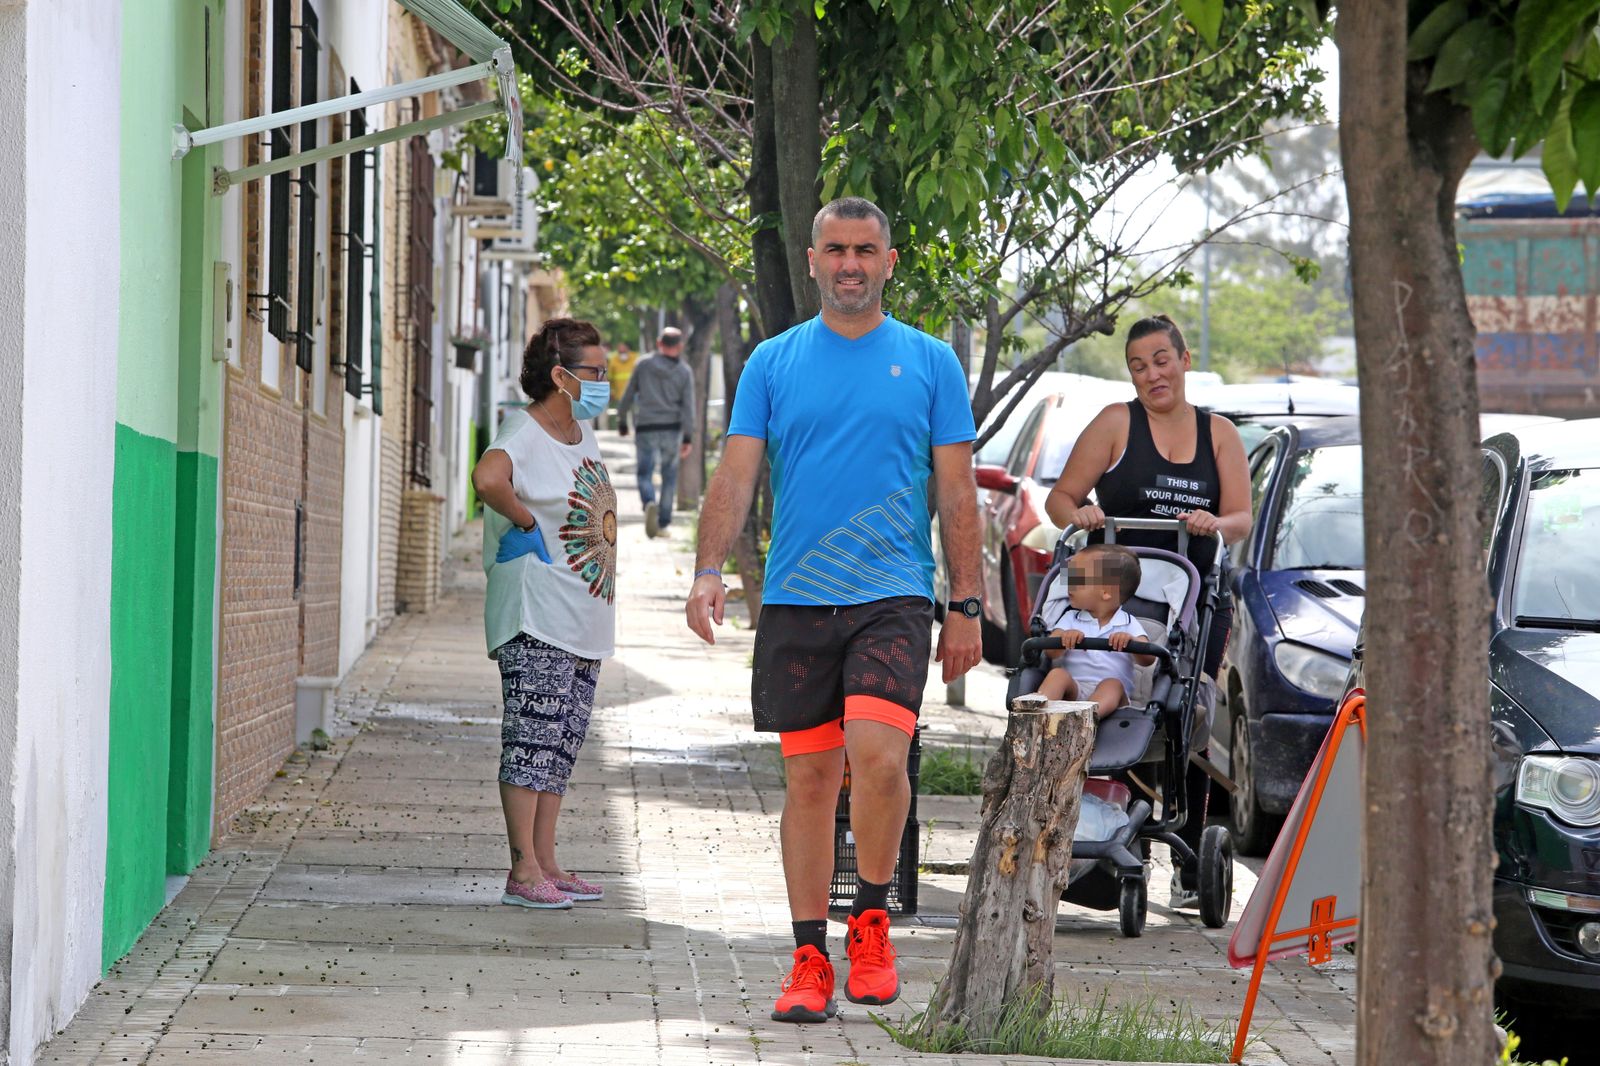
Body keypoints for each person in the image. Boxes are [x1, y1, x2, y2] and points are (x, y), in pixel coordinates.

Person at [685, 196, 983, 1024]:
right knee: (812, 777)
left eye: (865, 249)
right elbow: (736, 474)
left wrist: (966, 602)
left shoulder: (929, 363)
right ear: (811, 261)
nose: (849, 263)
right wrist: (709, 566)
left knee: (880, 757)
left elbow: (958, 492)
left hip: (891, 593)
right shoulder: (773, 364)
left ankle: (874, 923)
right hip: (797, 599)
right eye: (835, 249)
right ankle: (810, 956)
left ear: (889, 262)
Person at [1043, 313, 1250, 910]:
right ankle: (1092, 834)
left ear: (1184, 360)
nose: (1152, 374)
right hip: (1112, 595)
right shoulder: (1115, 423)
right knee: (1097, 697)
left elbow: (1241, 516)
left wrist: (1215, 522)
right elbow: (1061, 498)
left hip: (1192, 597)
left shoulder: (1219, 435)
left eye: (1162, 360)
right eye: (1138, 366)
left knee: (1184, 711)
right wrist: (1076, 514)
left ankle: (1186, 857)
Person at [470, 317, 619, 911]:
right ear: (561, 375)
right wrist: (527, 522)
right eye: (595, 373)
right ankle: (522, 870)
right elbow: (488, 477)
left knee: (560, 742)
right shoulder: (523, 430)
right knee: (532, 738)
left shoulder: (582, 433)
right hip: (535, 610)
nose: (604, 382)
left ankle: (548, 863)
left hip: (580, 616)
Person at [1030, 544, 1155, 718]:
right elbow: (1050, 652)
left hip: (1112, 702)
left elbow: (1148, 658)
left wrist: (1131, 642)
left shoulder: (1127, 623)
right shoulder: (1071, 618)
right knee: (1057, 674)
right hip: (1074, 690)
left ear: (1105, 592)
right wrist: (1064, 638)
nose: (1069, 585)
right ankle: (1035, 715)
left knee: (1112, 684)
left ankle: (1085, 719)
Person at [616, 326, 695, 538]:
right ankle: (662, 522)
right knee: (669, 475)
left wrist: (622, 420)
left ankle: (649, 501)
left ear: (659, 344)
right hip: (672, 429)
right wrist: (688, 436)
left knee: (644, 472)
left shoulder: (643, 364)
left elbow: (629, 393)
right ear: (679, 346)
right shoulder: (684, 371)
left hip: (646, 427)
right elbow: (688, 406)